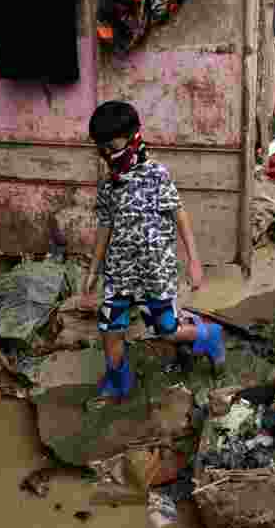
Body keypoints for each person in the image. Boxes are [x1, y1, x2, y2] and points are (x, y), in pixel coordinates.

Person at [80, 101, 224, 409]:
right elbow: (105, 226)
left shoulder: (156, 174)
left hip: (154, 273)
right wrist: (93, 269)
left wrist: (194, 261)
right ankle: (119, 381)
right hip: (119, 273)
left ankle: (208, 335)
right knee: (110, 329)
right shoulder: (109, 185)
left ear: (133, 137)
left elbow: (178, 213)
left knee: (166, 330)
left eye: (111, 145)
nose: (106, 153)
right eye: (100, 147)